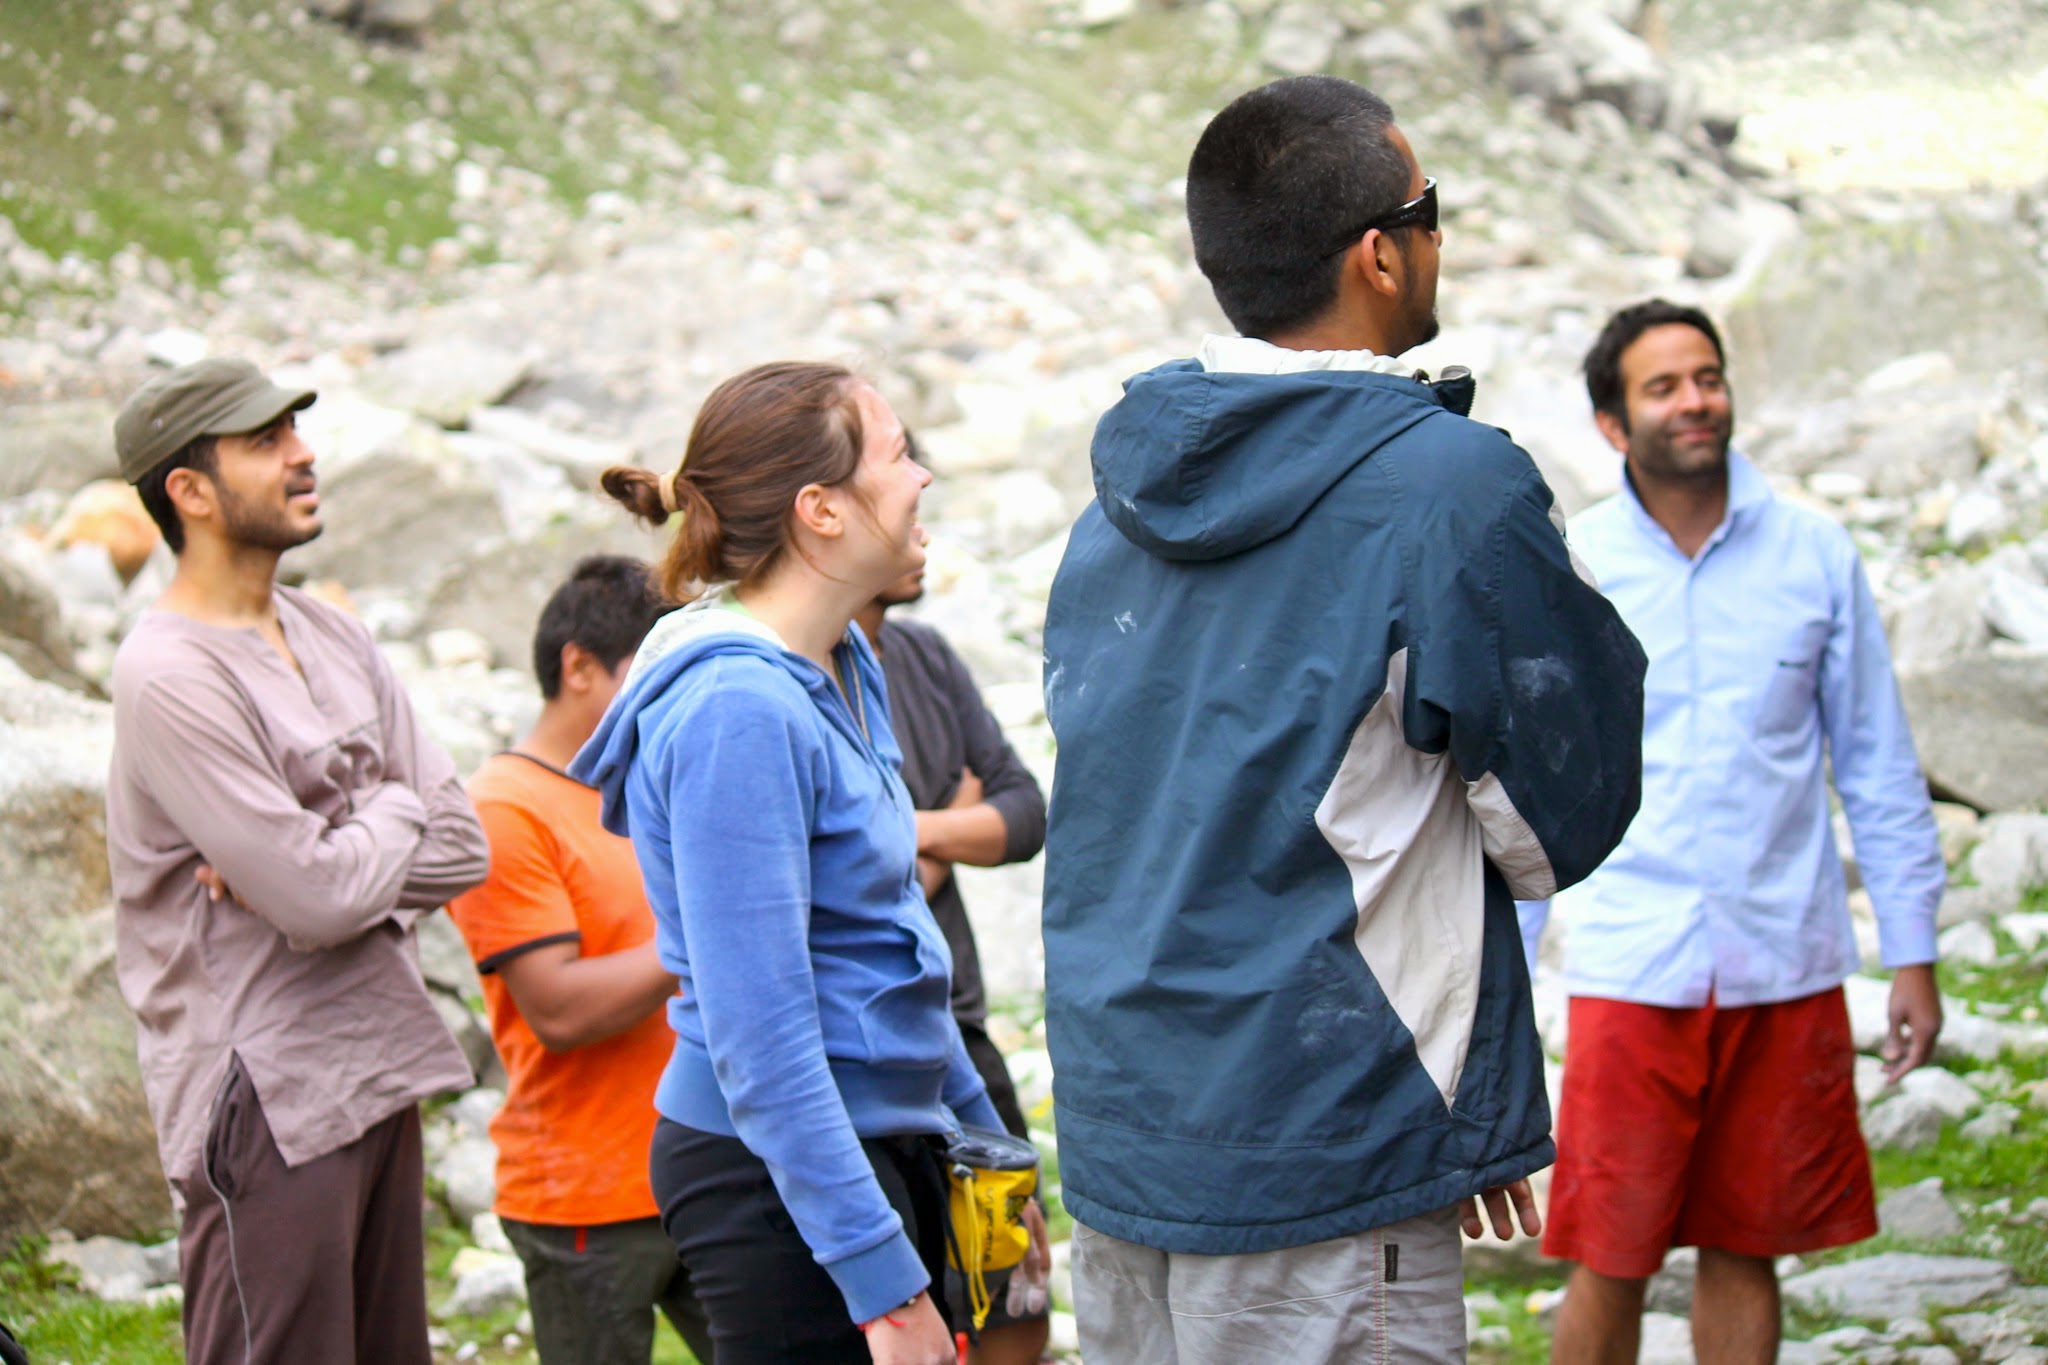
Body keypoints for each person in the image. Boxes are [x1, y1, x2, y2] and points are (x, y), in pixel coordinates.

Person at [1038, 75, 1648, 1365]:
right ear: (1379, 254)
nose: (1436, 237)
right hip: (1320, 1136)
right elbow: (1558, 820)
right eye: (1428, 211)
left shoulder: (1115, 505)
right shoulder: (1445, 488)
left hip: (1125, 1137)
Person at [572, 361, 1047, 1365]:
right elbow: (762, 1038)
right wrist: (883, 1290)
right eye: (896, 455)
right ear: (820, 510)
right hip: (776, 1176)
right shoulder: (738, 710)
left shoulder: (844, 661)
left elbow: (896, 945)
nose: (921, 477)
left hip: (878, 1142)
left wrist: (987, 1165)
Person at [1532, 300, 1945, 1365]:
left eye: (1705, 377)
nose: (1694, 402)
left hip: (1783, 962)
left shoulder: (1813, 553)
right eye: (1661, 386)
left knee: (1744, 1244)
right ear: (1611, 425)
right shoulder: (1570, 563)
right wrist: (1504, 967)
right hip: (1632, 963)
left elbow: (1874, 763)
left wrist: (1912, 953)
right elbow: (1528, 777)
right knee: (1609, 1252)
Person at [103, 357, 488, 1364]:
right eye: (265, 440)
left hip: (375, 1059)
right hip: (258, 1092)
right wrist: (383, 813)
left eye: (295, 432)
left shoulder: (330, 630)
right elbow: (316, 900)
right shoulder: (168, 673)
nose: (304, 453)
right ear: (188, 491)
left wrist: (344, 840)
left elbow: (462, 843)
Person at [446, 555, 713, 1365]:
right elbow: (558, 1009)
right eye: (653, 669)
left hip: (706, 1167)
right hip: (585, 1199)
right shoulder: (505, 807)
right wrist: (708, 930)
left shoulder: (648, 776)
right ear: (578, 668)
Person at [855, 530, 1051, 1365]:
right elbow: (846, 892)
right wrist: (946, 830)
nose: (923, 537)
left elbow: (1025, 812)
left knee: (1015, 1294)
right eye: (900, 509)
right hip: (868, 1042)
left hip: (957, 1030)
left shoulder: (924, 655)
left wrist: (907, 831)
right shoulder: (784, 677)